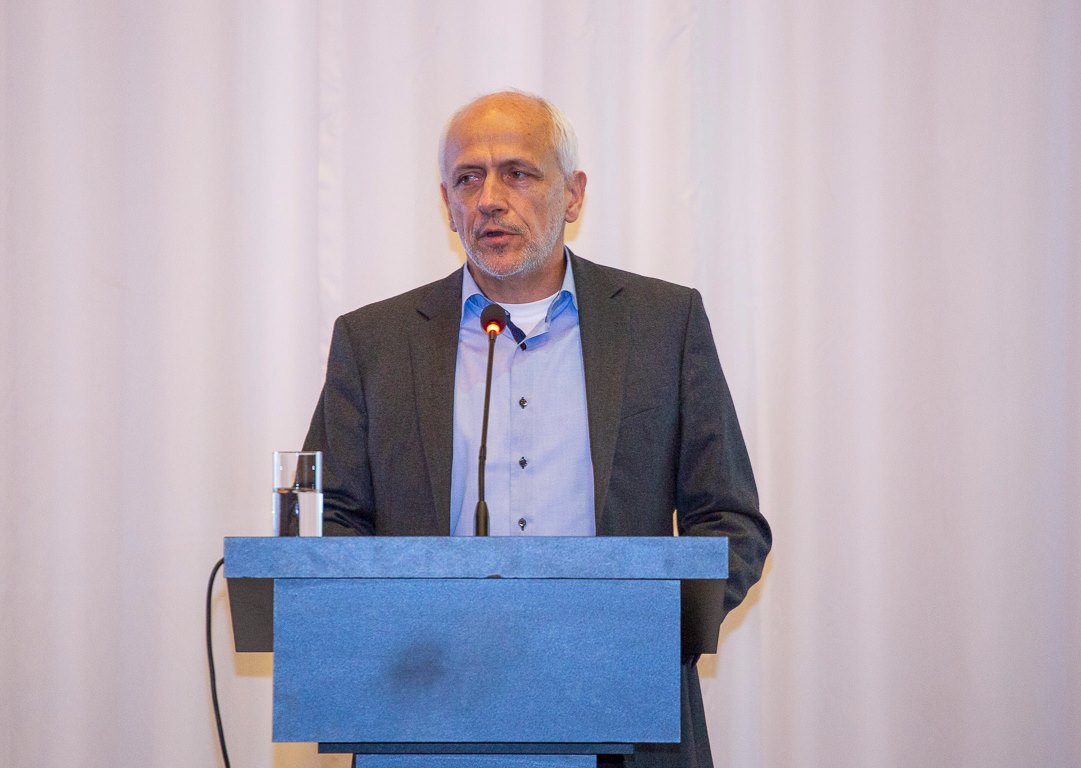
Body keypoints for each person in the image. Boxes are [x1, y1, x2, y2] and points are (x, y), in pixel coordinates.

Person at [304, 91, 771, 768]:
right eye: (468, 178)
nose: (490, 199)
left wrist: (641, 634)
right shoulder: (374, 342)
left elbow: (729, 520)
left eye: (518, 173)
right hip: (425, 712)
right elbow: (331, 521)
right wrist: (398, 633)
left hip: (621, 712)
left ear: (572, 194)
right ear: (447, 204)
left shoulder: (662, 325)